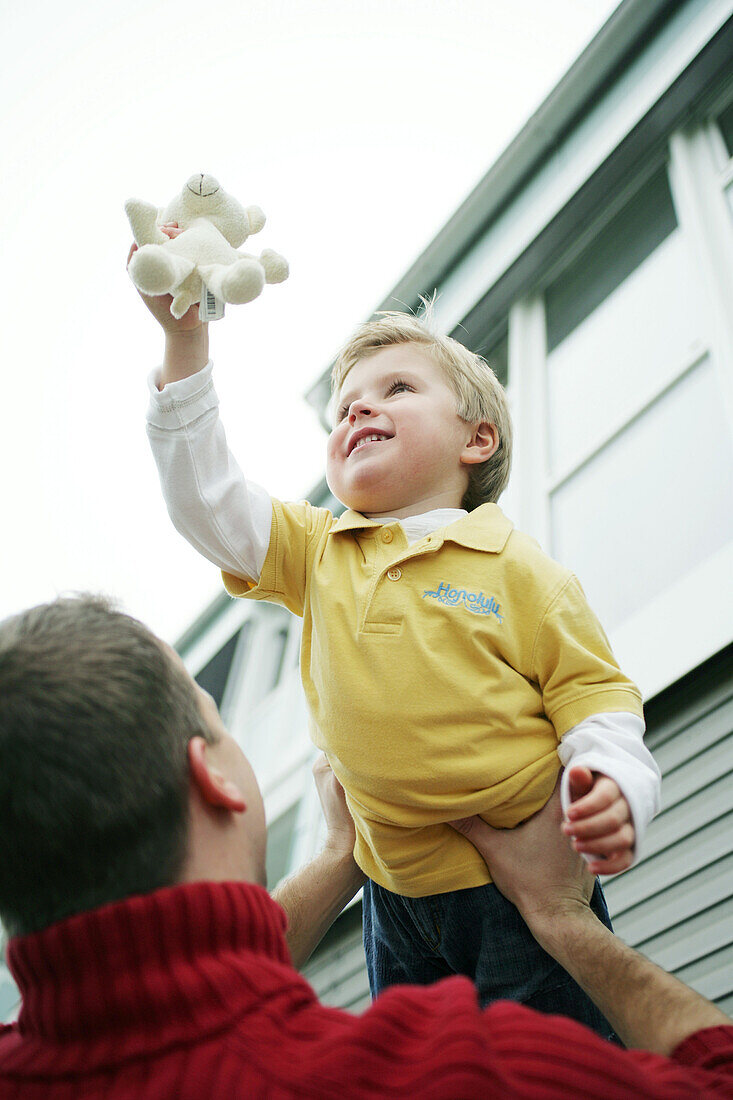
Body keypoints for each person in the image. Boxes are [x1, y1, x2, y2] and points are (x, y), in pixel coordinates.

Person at [135, 239, 661, 1032]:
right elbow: (205, 500)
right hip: (394, 901)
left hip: (517, 884)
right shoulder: (319, 550)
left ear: (474, 440)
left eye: (397, 388)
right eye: (345, 404)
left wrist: (615, 790)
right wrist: (185, 345)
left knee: (564, 1073)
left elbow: (597, 701)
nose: (357, 408)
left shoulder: (518, 570)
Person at [0, 594, 731, 1099]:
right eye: (219, 723)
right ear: (211, 775)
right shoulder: (446, 1075)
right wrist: (565, 920)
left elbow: (162, 1005)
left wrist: (336, 858)